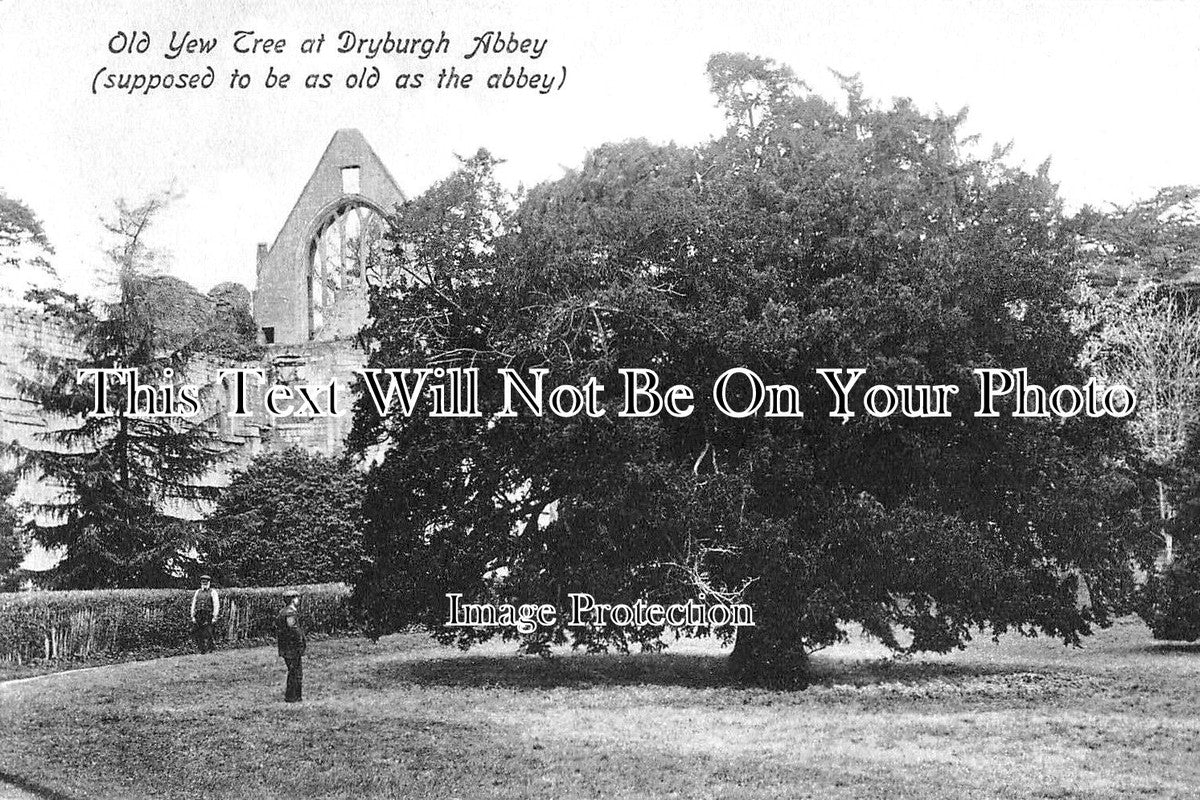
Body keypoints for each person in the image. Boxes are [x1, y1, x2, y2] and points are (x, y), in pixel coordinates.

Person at [276, 591, 306, 702]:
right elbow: (293, 629)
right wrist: (300, 643)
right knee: (295, 672)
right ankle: (293, 697)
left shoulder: (283, 612)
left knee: (294, 671)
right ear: (293, 599)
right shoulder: (289, 613)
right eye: (297, 598)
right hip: (292, 647)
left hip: (287, 647)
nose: (298, 600)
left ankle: (293, 696)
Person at [189, 574, 220, 654]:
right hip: (199, 614)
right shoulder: (197, 592)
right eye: (203, 582)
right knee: (199, 633)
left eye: (206, 582)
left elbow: (216, 604)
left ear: (209, 583)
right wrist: (192, 615)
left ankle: (210, 649)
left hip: (208, 614)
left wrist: (214, 616)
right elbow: (194, 603)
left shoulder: (213, 592)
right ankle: (202, 650)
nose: (204, 584)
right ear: (201, 583)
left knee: (209, 632)